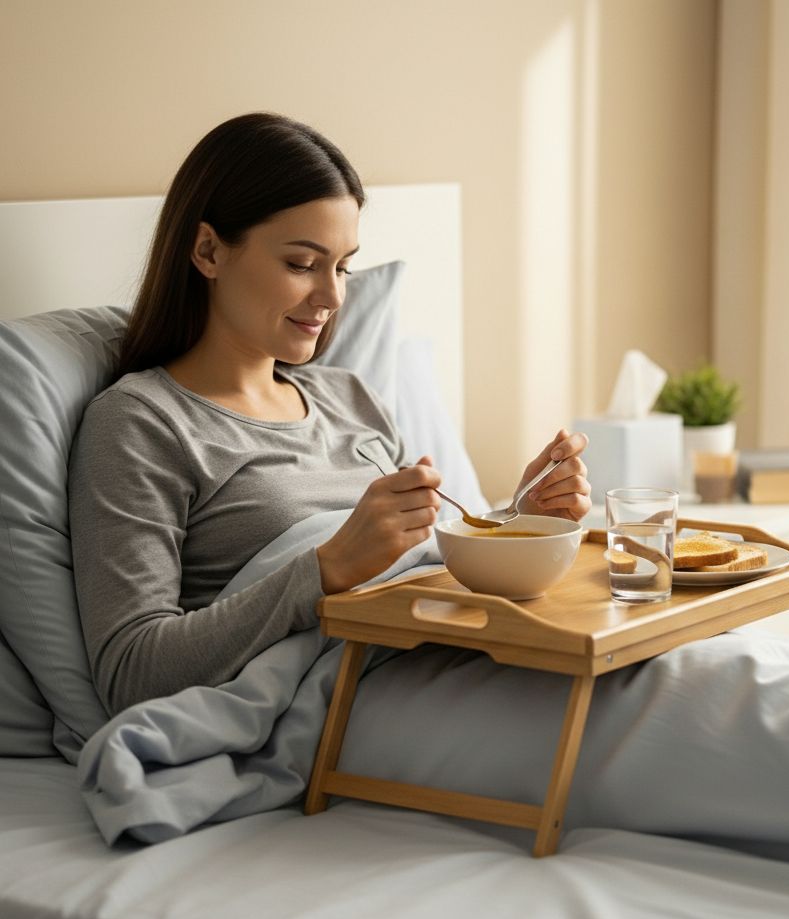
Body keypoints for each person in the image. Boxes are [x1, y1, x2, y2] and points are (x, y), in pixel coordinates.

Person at [69, 112, 591, 716]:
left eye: (342, 267)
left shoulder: (351, 398)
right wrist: (325, 569)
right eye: (301, 264)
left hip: (446, 656)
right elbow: (131, 671)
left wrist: (518, 527)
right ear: (208, 250)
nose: (333, 296)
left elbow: (423, 572)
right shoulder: (141, 424)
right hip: (353, 702)